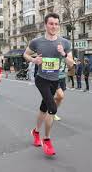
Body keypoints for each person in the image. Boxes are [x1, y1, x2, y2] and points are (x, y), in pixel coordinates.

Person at [23, 13, 74, 156]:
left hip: (55, 79)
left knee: (44, 107)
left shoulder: (64, 43)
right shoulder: (37, 42)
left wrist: (63, 54)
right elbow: (25, 54)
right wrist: (34, 60)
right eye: (51, 24)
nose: (54, 26)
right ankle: (47, 139)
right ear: (45, 25)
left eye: (56, 24)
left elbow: (71, 64)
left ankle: (36, 131)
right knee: (52, 108)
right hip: (41, 79)